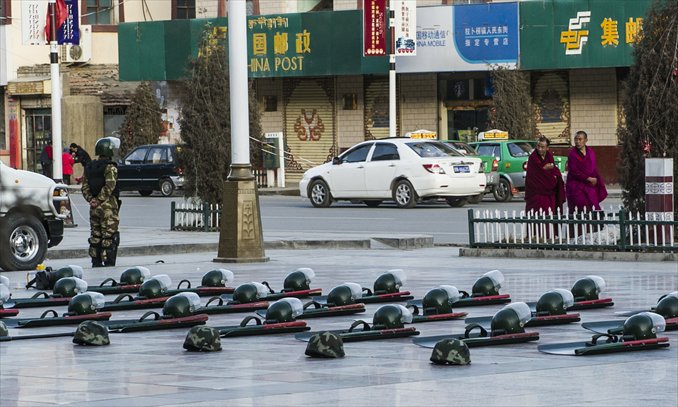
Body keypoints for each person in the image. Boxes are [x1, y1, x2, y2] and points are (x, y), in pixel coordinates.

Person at [82, 137, 121, 268]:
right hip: (107, 207)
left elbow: (85, 187)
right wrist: (99, 200)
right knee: (109, 236)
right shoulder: (110, 167)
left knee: (95, 235)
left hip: (94, 208)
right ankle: (108, 262)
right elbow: (110, 186)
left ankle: (96, 261)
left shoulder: (90, 167)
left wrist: (92, 200)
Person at [566, 130, 608, 213]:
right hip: (576, 185)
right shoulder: (572, 154)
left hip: (589, 185)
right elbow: (574, 171)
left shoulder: (591, 152)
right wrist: (588, 178)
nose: (577, 142)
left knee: (594, 207)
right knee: (579, 207)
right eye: (576, 139)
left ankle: (594, 225)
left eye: (580, 139)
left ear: (585, 140)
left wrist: (596, 179)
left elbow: (593, 167)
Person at [525, 136, 565, 215]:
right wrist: (544, 168)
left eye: (542, 147)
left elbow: (554, 170)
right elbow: (533, 175)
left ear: (547, 148)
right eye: (538, 146)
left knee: (549, 217)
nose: (540, 149)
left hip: (549, 194)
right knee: (536, 218)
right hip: (536, 194)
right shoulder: (533, 158)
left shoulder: (549, 156)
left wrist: (555, 177)